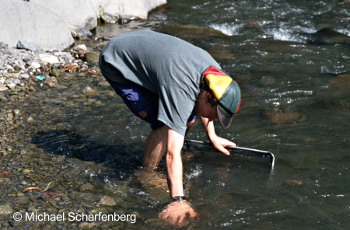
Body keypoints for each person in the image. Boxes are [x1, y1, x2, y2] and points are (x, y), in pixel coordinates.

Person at [99, 29, 241, 226]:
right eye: (215, 114)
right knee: (164, 127)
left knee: (186, 118)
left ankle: (167, 160)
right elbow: (172, 153)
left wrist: (213, 136)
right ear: (206, 96)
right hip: (117, 60)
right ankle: (146, 173)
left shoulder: (216, 77)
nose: (213, 117)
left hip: (146, 48)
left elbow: (204, 110)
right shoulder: (182, 88)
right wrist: (178, 200)